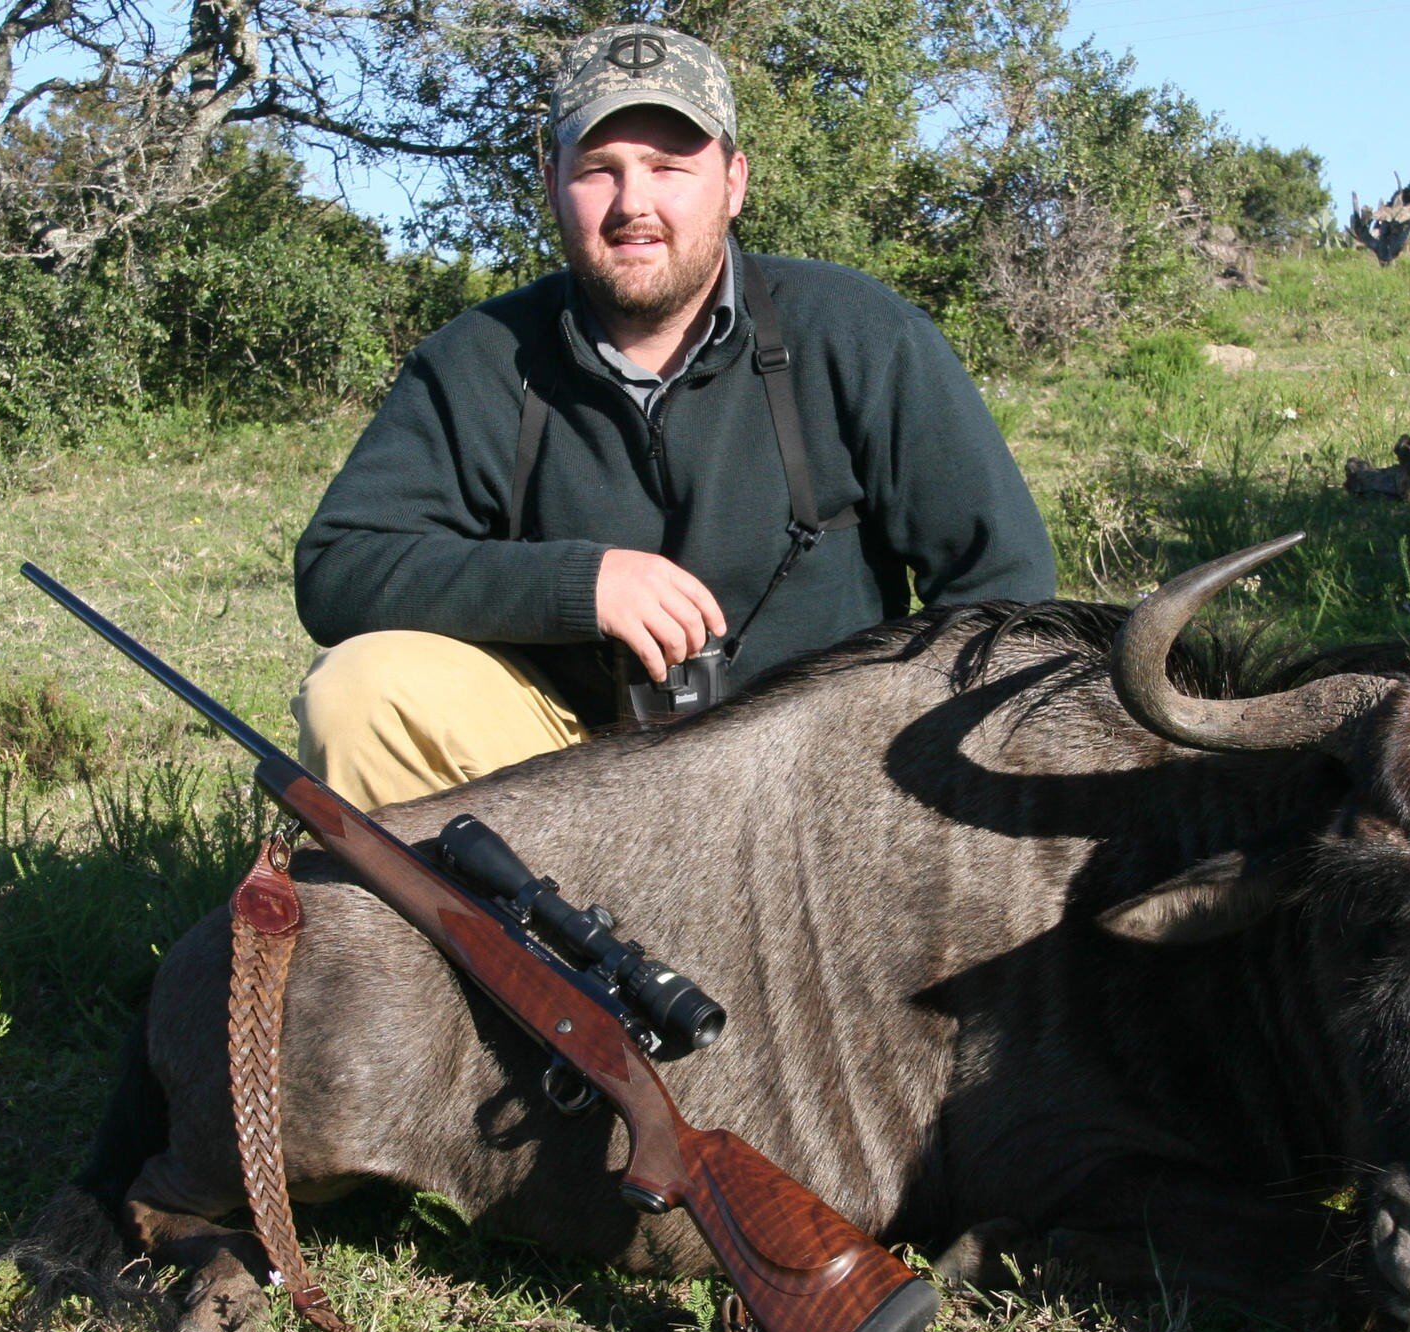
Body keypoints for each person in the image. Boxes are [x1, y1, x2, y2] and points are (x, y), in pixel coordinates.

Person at [292, 23, 1055, 810]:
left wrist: (880, 751)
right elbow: (339, 568)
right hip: (562, 786)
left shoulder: (862, 333)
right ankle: (497, 930)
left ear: (733, 181)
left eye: (669, 167)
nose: (635, 204)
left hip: (818, 790)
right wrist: (580, 585)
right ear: (552, 182)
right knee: (358, 695)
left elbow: (1007, 590)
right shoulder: (476, 362)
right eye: (600, 170)